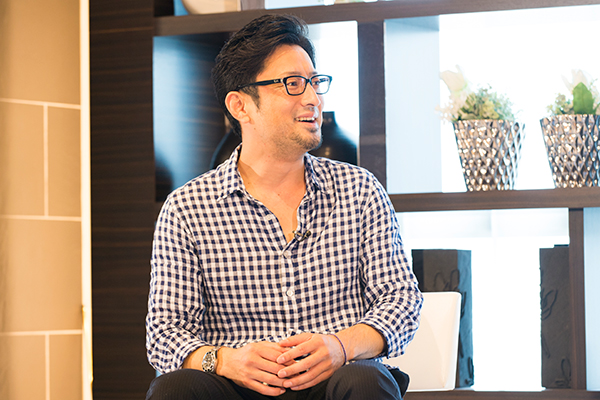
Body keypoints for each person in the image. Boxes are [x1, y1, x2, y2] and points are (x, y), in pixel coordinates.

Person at [145, 13, 423, 400]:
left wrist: (340, 346)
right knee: (174, 388)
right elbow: (165, 334)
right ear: (241, 106)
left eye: (315, 82)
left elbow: (401, 301)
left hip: (337, 379)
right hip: (237, 386)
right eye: (293, 84)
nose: (313, 99)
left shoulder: (359, 190)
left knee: (364, 382)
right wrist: (226, 361)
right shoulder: (187, 208)